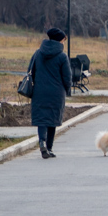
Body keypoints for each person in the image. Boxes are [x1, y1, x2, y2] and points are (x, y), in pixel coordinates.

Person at [27, 27, 71, 159]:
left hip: (39, 91)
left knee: (42, 119)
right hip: (56, 93)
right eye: (63, 40)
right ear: (59, 40)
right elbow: (67, 77)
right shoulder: (62, 56)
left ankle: (42, 142)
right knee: (53, 119)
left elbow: (31, 71)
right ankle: (50, 148)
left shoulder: (37, 53)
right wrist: (67, 89)